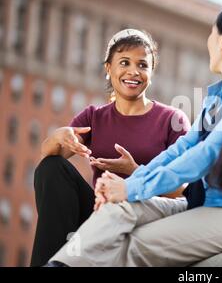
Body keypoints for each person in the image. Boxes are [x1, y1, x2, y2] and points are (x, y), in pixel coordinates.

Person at [47, 5, 222, 267]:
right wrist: (128, 188)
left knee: (137, 243)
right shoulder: (218, 98)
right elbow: (182, 149)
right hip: (209, 205)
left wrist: (130, 187)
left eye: (212, 34)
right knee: (119, 210)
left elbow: (204, 155)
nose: (208, 42)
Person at [30, 29, 190, 267]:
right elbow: (49, 161)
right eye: (124, 62)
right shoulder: (94, 117)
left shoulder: (171, 119)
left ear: (151, 72)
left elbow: (185, 190)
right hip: (100, 218)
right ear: (108, 69)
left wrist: (136, 172)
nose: (133, 71)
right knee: (51, 167)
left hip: (146, 222)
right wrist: (58, 138)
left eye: (142, 65)